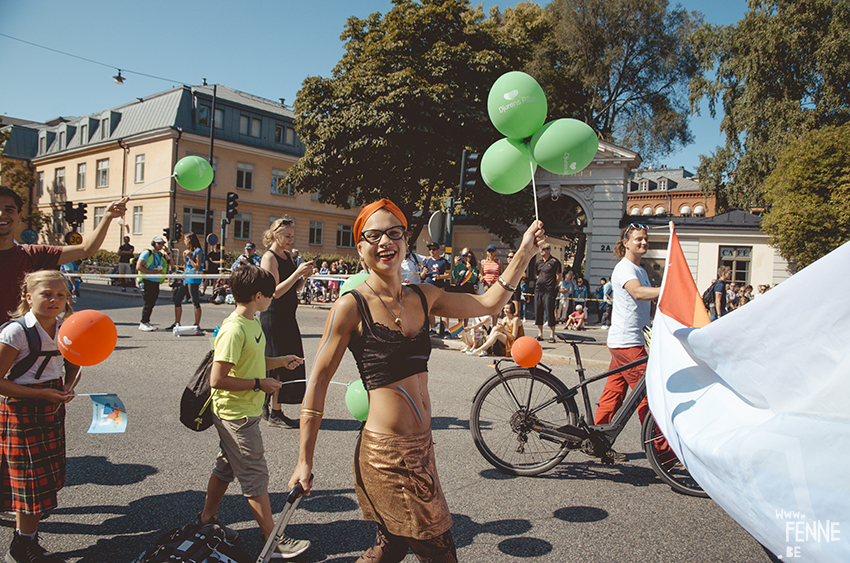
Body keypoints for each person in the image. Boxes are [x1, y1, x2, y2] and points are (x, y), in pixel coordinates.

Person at [288, 198, 545, 562]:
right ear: (360, 248)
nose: (385, 242)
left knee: (391, 546)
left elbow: (488, 303)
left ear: (407, 243)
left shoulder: (424, 297)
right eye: (373, 235)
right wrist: (304, 461)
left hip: (421, 447)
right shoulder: (351, 305)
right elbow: (317, 383)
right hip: (385, 456)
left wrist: (523, 253)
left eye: (394, 233)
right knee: (441, 552)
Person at [198, 265, 311, 560]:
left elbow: (254, 361)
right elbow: (217, 379)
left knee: (225, 469)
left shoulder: (253, 322)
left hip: (242, 412)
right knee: (255, 477)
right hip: (234, 415)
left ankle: (205, 521)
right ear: (258, 295)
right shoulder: (234, 329)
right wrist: (260, 383)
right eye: (270, 295)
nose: (273, 299)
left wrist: (280, 361)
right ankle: (273, 540)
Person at [0, 270, 80, 563]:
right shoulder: (15, 332)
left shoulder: (66, 329)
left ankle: (24, 542)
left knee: (39, 485)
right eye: (46, 293)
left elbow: (74, 367)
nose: (54, 300)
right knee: (28, 485)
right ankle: (23, 548)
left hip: (51, 410)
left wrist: (68, 387)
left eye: (60, 295)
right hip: (21, 411)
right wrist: (40, 394)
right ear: (27, 296)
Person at [0, 186, 128, 325]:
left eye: (9, 209)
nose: (1, 214)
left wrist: (107, 217)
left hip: (17, 341)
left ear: (19, 217)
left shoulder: (32, 255)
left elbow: (87, 249)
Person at [593, 223, 660, 461]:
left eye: (645, 239)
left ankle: (595, 441)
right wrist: (667, 289)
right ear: (626, 243)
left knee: (614, 391)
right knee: (647, 397)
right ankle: (663, 453)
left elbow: (644, 304)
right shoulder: (625, 269)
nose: (642, 242)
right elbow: (639, 293)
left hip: (627, 340)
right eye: (638, 239)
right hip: (627, 342)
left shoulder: (640, 270)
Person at [259, 218, 316, 428]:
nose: (291, 240)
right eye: (287, 236)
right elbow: (274, 291)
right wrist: (296, 273)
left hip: (287, 316)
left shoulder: (287, 255)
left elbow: (294, 289)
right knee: (278, 363)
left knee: (290, 361)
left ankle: (271, 408)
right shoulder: (269, 258)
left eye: (292, 236)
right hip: (273, 316)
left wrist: (304, 276)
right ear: (276, 235)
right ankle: (274, 411)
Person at [136, 236, 172, 331]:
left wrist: (168, 253)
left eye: (162, 244)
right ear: (153, 244)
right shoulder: (147, 253)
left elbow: (171, 263)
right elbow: (139, 267)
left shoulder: (160, 255)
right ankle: (143, 322)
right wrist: (152, 272)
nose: (161, 245)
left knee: (152, 302)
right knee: (147, 302)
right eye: (159, 243)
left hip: (155, 281)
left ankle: (147, 321)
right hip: (146, 280)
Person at [170, 233, 204, 331]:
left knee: (195, 301)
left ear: (190, 240)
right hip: (186, 278)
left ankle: (196, 324)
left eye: (185, 239)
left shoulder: (198, 251)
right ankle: (177, 323)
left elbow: (197, 266)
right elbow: (187, 266)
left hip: (193, 278)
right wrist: (185, 257)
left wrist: (189, 256)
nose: (184, 241)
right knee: (177, 299)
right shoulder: (189, 251)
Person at [420, 242, 450, 336]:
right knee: (430, 310)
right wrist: (424, 272)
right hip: (428, 287)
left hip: (439, 288)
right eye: (430, 249)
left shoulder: (443, 261)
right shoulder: (427, 262)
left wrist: (440, 277)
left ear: (438, 250)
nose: (431, 251)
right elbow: (421, 276)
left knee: (443, 309)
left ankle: (446, 330)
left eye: (433, 249)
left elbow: (448, 275)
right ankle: (432, 329)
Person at [534, 243, 561, 343]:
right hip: (539, 290)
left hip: (549, 290)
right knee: (538, 310)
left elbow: (559, 276)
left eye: (544, 249)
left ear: (549, 250)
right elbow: (537, 274)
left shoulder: (554, 262)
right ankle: (540, 334)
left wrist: (554, 286)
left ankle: (552, 334)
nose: (542, 251)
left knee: (549, 311)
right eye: (541, 249)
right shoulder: (538, 262)